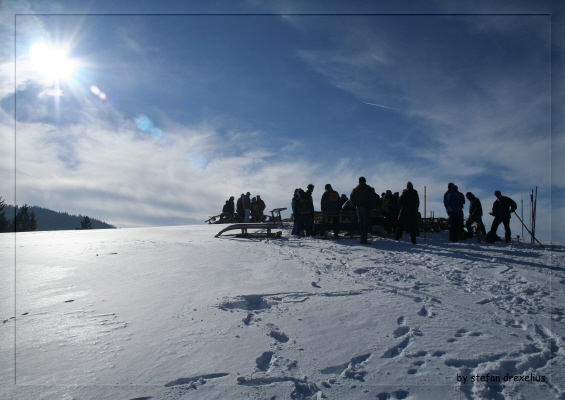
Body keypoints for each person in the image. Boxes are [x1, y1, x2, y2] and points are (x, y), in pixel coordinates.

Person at [350, 176, 376, 244]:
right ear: (365, 181)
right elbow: (372, 198)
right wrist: (372, 207)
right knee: (365, 223)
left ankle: (362, 239)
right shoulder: (368, 188)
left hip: (358, 207)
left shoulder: (355, 189)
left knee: (361, 223)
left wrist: (355, 205)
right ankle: (364, 239)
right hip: (366, 207)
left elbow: (351, 199)